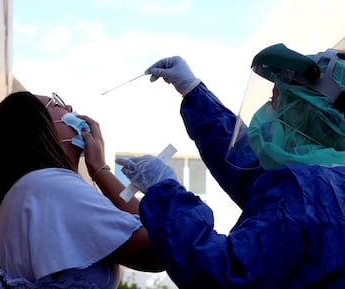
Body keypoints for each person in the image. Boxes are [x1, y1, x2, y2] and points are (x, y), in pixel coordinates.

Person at [116, 44, 345, 289]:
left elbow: (223, 274)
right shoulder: (327, 182)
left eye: (275, 101)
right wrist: (193, 92)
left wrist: (164, 193)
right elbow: (249, 170)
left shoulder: (305, 192)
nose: (268, 113)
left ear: (304, 112)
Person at [0, 91, 163, 289]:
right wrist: (102, 170)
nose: (69, 108)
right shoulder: (52, 187)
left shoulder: (27, 191)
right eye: (56, 104)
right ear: (36, 128)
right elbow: (161, 248)